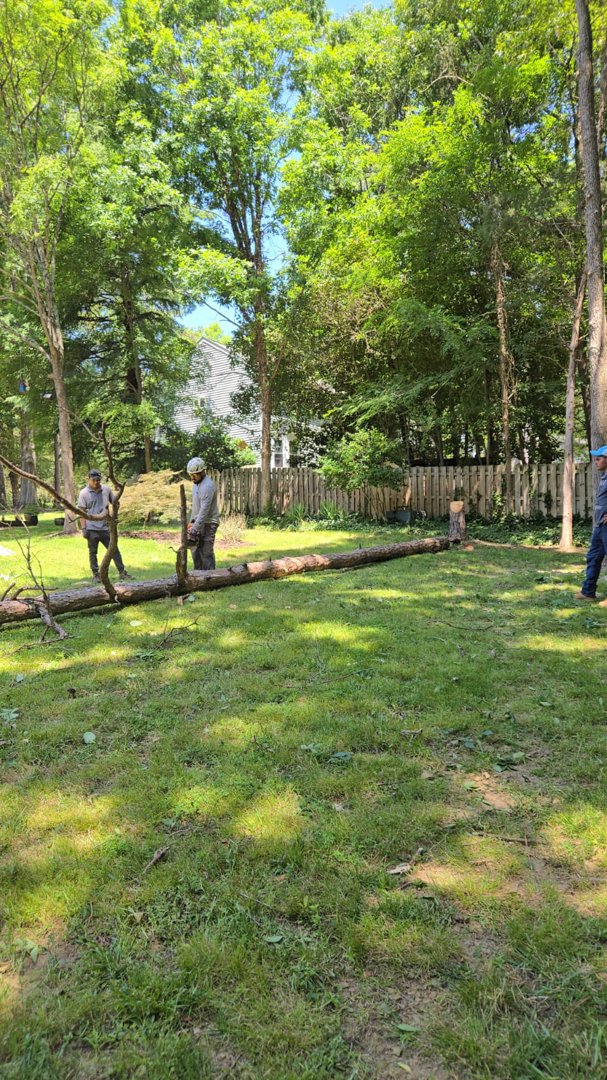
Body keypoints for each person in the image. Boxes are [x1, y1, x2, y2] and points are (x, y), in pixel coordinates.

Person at [77, 469, 132, 582]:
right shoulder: (84, 493)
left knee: (114, 550)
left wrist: (114, 515)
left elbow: (115, 502)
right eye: (93, 480)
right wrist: (84, 528)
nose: (96, 482)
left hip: (106, 527)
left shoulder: (106, 490)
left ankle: (122, 572)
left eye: (98, 480)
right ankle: (96, 575)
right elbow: (81, 512)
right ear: (89, 479)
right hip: (91, 529)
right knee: (93, 553)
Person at [576, 446, 607, 603]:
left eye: (599, 458)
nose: (595, 461)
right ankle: (588, 592)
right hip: (600, 526)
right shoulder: (604, 477)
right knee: (593, 557)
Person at [186, 456, 220, 570]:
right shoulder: (196, 484)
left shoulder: (207, 486)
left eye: (194, 475)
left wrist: (195, 529)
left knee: (206, 553)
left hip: (209, 523)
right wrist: (191, 523)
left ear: (202, 472)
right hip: (198, 522)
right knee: (195, 551)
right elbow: (196, 507)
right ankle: (197, 576)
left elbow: (204, 511)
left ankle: (211, 577)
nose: (192, 477)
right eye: (190, 475)